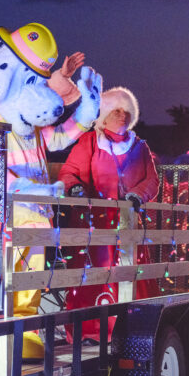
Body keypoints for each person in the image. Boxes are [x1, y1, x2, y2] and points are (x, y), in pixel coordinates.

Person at [58, 86, 159, 343]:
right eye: (116, 110)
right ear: (104, 115)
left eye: (126, 111)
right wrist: (76, 188)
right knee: (93, 277)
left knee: (131, 275)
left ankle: (133, 329)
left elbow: (152, 181)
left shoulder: (140, 146)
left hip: (128, 224)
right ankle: (90, 331)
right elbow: (69, 172)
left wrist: (136, 196)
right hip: (94, 225)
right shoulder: (90, 142)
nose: (122, 115)